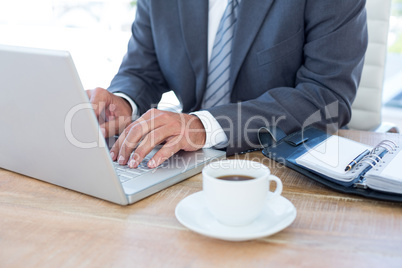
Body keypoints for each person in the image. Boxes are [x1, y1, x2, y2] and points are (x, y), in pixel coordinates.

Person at [87, 0, 368, 169]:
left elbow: (326, 97)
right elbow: (142, 70)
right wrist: (123, 102)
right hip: (180, 163)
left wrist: (201, 126)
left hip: (276, 167)